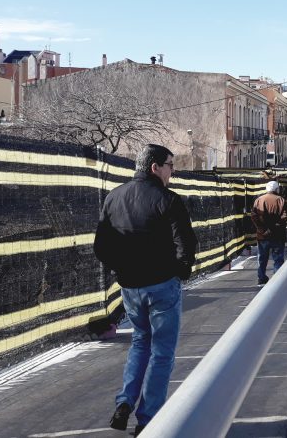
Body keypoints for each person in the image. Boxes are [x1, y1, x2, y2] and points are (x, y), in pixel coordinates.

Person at [93, 144, 197, 436]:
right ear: (155, 167)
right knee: (162, 352)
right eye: (170, 165)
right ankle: (149, 418)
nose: (172, 172)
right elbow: (185, 243)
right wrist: (180, 270)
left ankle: (125, 401)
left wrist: (123, 269)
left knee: (141, 343)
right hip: (163, 286)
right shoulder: (168, 199)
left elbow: (101, 247)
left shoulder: (113, 198)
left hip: (131, 288)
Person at [251, 180, 287, 286]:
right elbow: (284, 217)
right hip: (278, 235)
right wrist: (275, 226)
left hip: (263, 236)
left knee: (262, 258)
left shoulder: (258, 200)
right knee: (278, 259)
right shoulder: (281, 200)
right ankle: (277, 280)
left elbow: (254, 216)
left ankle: (261, 278)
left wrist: (262, 229)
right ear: (276, 189)